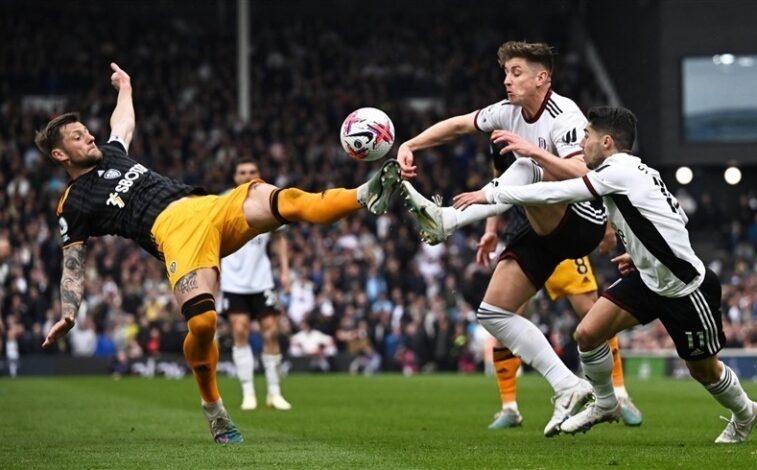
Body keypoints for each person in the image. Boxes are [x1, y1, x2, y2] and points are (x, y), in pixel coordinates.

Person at [37, 63, 402, 445]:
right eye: (79, 137)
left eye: (86, 131)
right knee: (204, 325)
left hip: (208, 204)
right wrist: (68, 311)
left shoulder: (111, 153)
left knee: (285, 201)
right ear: (61, 155)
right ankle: (214, 410)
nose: (90, 137)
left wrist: (125, 87)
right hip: (175, 233)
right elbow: (73, 262)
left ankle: (366, 194)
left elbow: (122, 123)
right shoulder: (73, 203)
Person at [453, 106, 757, 444]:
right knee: (587, 333)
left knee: (703, 370)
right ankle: (605, 403)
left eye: (586, 137)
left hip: (685, 289)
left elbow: (558, 192)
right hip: (647, 278)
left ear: (607, 142)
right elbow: (675, 215)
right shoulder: (638, 169)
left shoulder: (616, 172)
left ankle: (746, 413)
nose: (580, 143)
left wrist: (492, 195)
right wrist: (640, 251)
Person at [397, 41, 605, 436]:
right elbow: (458, 125)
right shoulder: (507, 113)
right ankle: (567, 386)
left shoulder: (567, 116)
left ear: (543, 78)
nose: (507, 80)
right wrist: (410, 144)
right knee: (492, 312)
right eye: (506, 72)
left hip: (579, 220)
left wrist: (532, 153)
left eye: (517, 72)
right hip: (535, 221)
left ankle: (448, 221)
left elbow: (583, 176)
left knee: (524, 160)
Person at [485, 144, 642, 430]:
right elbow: (497, 178)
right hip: (522, 238)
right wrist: (490, 230)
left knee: (593, 313)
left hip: (562, 233)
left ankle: (620, 393)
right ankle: (509, 407)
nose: (510, 95)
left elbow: (587, 173)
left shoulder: (559, 124)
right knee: (501, 319)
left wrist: (607, 223)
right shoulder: (500, 131)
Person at [220, 158, 292, 411]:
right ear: (235, 176)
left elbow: (280, 239)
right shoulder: (223, 201)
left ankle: (274, 392)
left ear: (259, 174)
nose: (247, 175)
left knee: (271, 332)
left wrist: (284, 271)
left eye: (252, 171)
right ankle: (248, 392)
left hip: (261, 279)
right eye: (242, 172)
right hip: (233, 280)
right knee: (239, 332)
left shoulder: (269, 198)